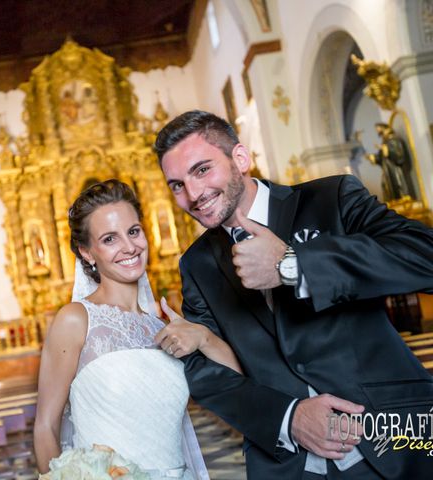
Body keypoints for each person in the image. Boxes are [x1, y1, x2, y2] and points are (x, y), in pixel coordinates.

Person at [153, 110, 433, 479]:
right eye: (176, 184)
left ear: (240, 158)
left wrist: (294, 265)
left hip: (397, 436)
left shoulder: (330, 198)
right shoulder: (197, 264)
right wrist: (288, 417)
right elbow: (206, 375)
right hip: (293, 463)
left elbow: (424, 255)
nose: (192, 194)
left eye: (202, 170)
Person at [33, 180, 239, 479]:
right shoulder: (76, 320)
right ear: (87, 252)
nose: (129, 247)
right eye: (109, 239)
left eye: (133, 231)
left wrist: (204, 337)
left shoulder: (164, 326)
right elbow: (45, 426)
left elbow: (236, 386)